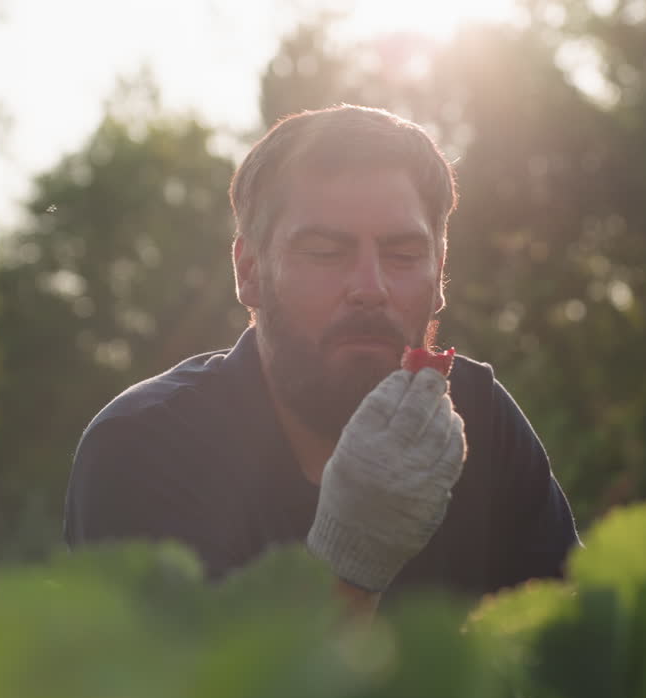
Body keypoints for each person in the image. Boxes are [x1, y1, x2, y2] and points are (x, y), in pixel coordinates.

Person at [63, 105, 579, 611]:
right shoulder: (142, 446)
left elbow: (584, 672)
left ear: (439, 272)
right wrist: (350, 564)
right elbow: (193, 696)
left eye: (402, 255)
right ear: (249, 271)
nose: (370, 288)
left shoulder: (479, 422)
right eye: (325, 252)